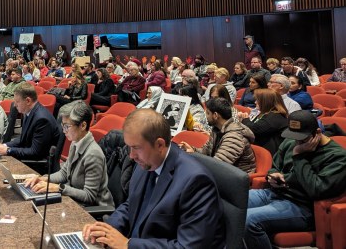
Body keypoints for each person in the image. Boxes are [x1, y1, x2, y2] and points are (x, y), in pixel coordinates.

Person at [82, 108, 225, 248]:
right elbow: (131, 204)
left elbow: (188, 246)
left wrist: (128, 244)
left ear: (159, 145)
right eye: (129, 147)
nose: (131, 156)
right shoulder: (147, 161)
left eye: (136, 148)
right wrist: (107, 229)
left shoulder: (196, 182)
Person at [244, 110, 346, 249]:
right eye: (294, 136)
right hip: (275, 193)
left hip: (302, 206)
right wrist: (272, 176)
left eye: (302, 138)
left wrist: (299, 156)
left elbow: (316, 190)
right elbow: (274, 167)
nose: (296, 141)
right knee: (231, 203)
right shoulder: (291, 141)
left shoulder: (337, 157)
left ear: (317, 133)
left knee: (248, 219)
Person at [24, 103, 114, 207]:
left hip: (94, 210)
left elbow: (89, 196)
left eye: (67, 126)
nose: (63, 130)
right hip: (76, 201)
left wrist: (59, 188)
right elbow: (64, 173)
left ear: (83, 126)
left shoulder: (93, 154)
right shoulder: (75, 143)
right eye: (63, 126)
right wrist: (44, 178)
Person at [0, 82, 61, 172]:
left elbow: (35, 152)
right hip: (30, 158)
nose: (15, 105)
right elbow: (23, 139)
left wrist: (8, 150)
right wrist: (4, 145)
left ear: (28, 101)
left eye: (17, 102)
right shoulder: (29, 112)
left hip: (38, 166)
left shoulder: (41, 119)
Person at [180, 97, 256, 173]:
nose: (206, 116)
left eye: (208, 113)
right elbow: (206, 152)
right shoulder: (217, 130)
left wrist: (193, 155)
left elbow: (218, 166)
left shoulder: (234, 137)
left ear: (215, 115)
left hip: (235, 180)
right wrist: (192, 149)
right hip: (223, 173)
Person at [239, 89, 289, 155]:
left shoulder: (275, 116)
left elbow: (255, 130)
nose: (255, 102)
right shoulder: (266, 113)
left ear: (266, 102)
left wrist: (245, 119)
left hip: (269, 154)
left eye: (258, 100)